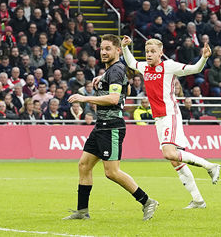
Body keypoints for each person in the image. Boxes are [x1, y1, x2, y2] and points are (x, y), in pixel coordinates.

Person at [64, 34, 158, 221]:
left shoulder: (115, 70)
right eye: (102, 48)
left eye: (108, 48)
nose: (104, 52)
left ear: (117, 50)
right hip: (101, 125)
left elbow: (114, 99)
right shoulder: (113, 70)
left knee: (112, 172)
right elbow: (127, 90)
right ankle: (82, 211)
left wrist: (85, 97)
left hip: (112, 127)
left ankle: (147, 201)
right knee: (84, 165)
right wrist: (104, 77)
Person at [122, 35, 221, 209]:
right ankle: (198, 200)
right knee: (175, 160)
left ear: (161, 53)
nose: (149, 55)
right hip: (158, 118)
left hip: (170, 115)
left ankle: (210, 166)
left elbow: (194, 69)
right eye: (147, 51)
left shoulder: (168, 66)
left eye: (153, 51)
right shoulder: (145, 67)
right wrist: (124, 47)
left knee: (169, 153)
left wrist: (204, 58)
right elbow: (131, 63)